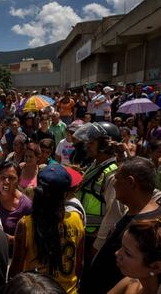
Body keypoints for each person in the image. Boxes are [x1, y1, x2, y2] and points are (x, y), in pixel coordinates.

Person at [81, 157, 161, 294]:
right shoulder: (138, 213)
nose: (113, 184)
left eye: (117, 179)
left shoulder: (144, 228)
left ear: (130, 182)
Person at [9, 164, 84, 294]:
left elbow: (16, 267)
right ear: (65, 194)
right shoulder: (76, 219)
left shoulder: (26, 224)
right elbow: (79, 264)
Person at [73, 121, 121, 263]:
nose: (87, 145)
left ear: (105, 146)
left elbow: (114, 214)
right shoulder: (95, 164)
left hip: (95, 240)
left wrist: (97, 245)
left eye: (92, 143)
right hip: (85, 234)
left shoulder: (112, 174)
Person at [108, 219, 161, 294]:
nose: (117, 253)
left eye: (127, 253)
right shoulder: (131, 282)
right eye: (121, 246)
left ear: (156, 267)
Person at [0, 161, 32, 247]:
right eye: (3, 177)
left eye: (11, 178)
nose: (6, 182)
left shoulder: (26, 206)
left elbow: (30, 238)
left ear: (18, 180)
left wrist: (10, 239)